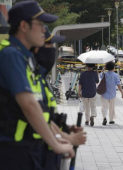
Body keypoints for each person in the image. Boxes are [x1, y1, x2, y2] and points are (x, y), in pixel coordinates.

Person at [0, 1, 74, 169]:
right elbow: (29, 105)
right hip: (12, 151)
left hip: (23, 148)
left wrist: (57, 136)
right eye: (40, 24)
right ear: (24, 26)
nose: (43, 30)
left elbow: (39, 109)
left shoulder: (25, 57)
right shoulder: (11, 55)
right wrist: (56, 145)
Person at [32, 26, 87, 170]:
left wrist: (66, 129)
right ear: (37, 48)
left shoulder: (40, 78)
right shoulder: (29, 79)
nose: (53, 50)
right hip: (33, 152)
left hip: (45, 154)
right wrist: (66, 138)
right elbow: (33, 115)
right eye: (49, 45)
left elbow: (46, 117)